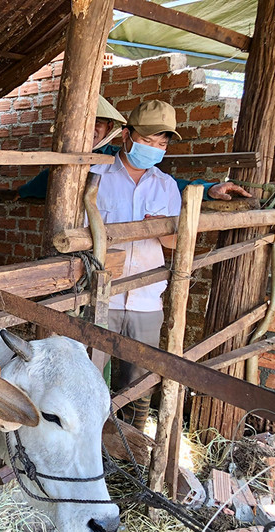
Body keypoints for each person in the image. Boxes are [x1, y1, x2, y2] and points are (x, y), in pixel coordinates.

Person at [93, 100, 182, 428]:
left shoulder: (166, 186)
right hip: (102, 295)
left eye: (161, 144)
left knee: (138, 382)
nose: (154, 149)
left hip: (146, 298)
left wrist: (160, 229)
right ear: (127, 135)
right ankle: (94, 439)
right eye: (147, 141)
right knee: (90, 371)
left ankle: (131, 446)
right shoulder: (96, 176)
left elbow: (175, 243)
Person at [16, 96, 252, 202]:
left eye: (95, 124)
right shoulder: (68, 163)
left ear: (111, 128)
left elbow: (173, 186)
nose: (87, 131)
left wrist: (208, 189)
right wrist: (22, 192)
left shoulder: (106, 160)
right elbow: (46, 182)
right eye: (80, 124)